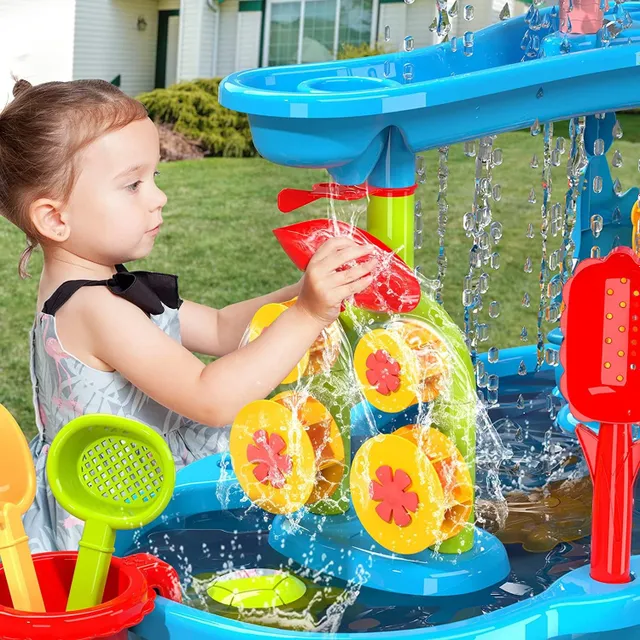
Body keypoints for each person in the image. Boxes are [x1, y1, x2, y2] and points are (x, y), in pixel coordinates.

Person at [0, 78, 376, 552]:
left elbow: (220, 328)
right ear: (55, 218)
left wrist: (301, 291)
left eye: (156, 177)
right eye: (133, 184)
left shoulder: (100, 288)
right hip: (118, 518)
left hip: (128, 489)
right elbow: (211, 399)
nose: (158, 197)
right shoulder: (95, 308)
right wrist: (307, 315)